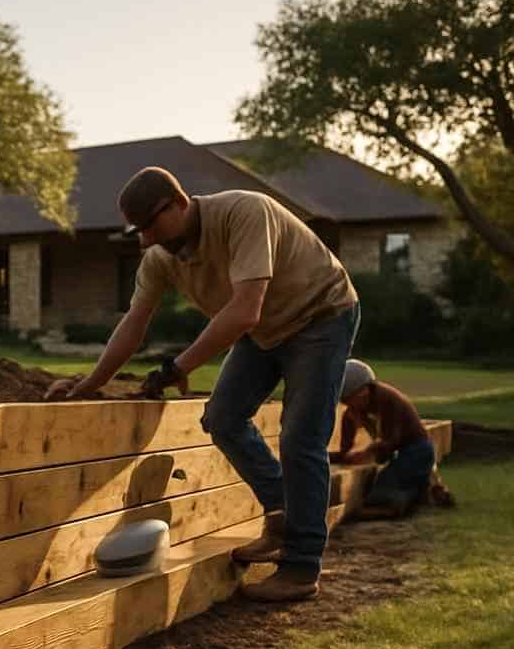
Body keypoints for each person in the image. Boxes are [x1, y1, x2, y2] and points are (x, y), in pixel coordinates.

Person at [45, 166, 359, 602]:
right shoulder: (160, 258)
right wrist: (90, 383)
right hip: (263, 330)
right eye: (138, 230)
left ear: (178, 203)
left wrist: (177, 366)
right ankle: (282, 514)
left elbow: (245, 310)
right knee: (223, 419)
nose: (145, 240)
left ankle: (301, 567)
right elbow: (134, 323)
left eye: (151, 225)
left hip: (320, 316)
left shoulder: (244, 213)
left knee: (301, 438)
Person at [331, 358, 450, 517]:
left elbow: (391, 442)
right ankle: (425, 491)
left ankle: (393, 507)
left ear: (364, 391)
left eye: (350, 400)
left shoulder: (387, 401)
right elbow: (345, 450)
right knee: (398, 482)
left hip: (417, 452)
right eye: (345, 402)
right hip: (402, 454)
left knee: (383, 486)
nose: (348, 406)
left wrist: (367, 452)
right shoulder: (354, 411)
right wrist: (331, 457)